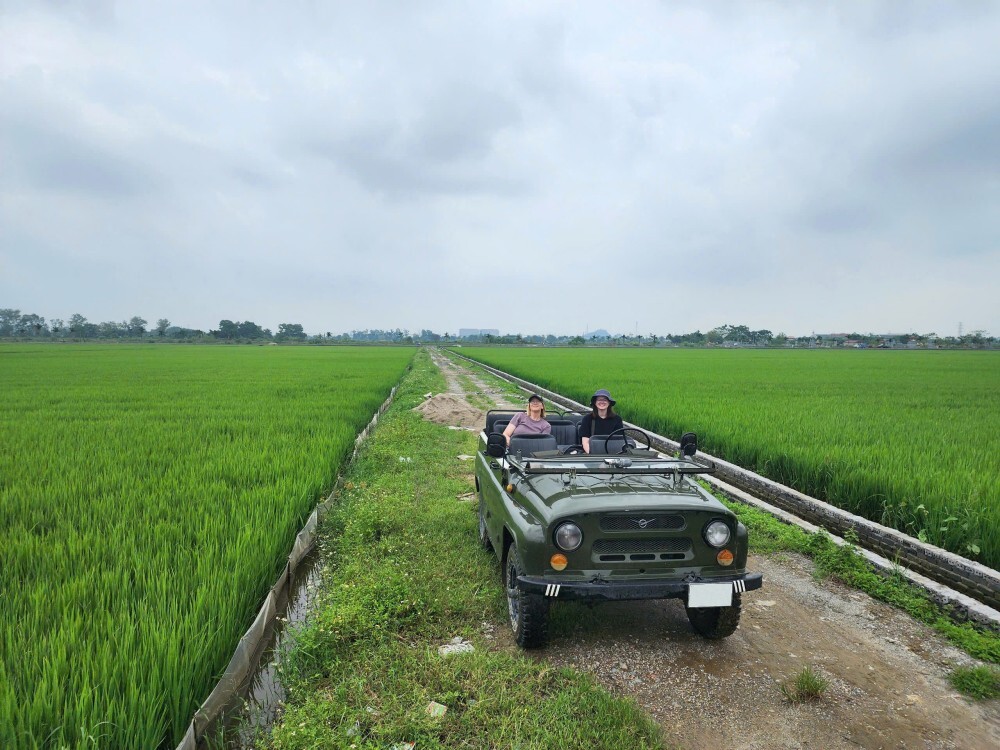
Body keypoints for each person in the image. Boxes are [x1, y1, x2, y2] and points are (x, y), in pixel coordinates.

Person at [581, 389, 624, 453]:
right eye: (599, 400)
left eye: (605, 400)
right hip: (592, 453)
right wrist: (592, 455)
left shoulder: (617, 419)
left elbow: (618, 441)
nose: (602, 402)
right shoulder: (587, 419)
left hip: (612, 452)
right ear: (595, 402)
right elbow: (585, 442)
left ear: (609, 402)